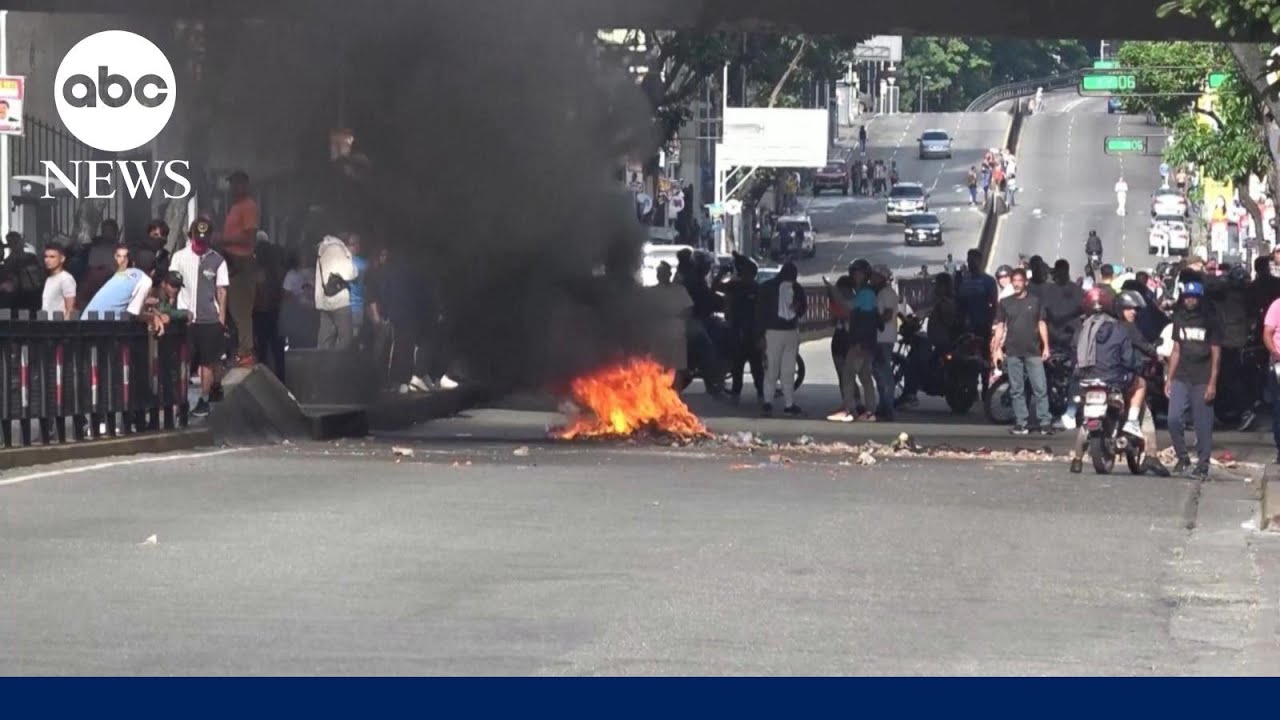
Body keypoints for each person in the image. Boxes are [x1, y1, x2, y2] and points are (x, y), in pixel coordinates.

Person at [170, 217, 229, 418]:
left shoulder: (218, 260)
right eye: (197, 239)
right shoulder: (179, 257)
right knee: (183, 362)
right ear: (191, 236)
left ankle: (203, 399)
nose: (200, 244)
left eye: (204, 239)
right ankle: (181, 400)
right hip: (185, 317)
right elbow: (172, 286)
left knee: (207, 362)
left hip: (209, 318)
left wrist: (221, 318)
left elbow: (221, 290)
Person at [1165, 281, 1221, 479]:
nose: (1190, 300)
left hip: (1202, 377)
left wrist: (1212, 382)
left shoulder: (1210, 320)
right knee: (1173, 418)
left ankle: (1203, 464)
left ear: (1200, 298)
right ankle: (1182, 456)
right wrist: (1169, 378)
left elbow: (1215, 352)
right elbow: (1176, 350)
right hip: (1181, 375)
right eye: (1187, 296)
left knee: (1202, 423)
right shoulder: (1179, 318)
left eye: (1194, 297)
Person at [992, 268, 1053, 435]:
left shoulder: (1035, 301)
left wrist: (1046, 346)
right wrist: (996, 348)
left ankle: (1045, 422)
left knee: (1040, 387)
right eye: (1015, 281)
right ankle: (1021, 422)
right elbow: (1000, 326)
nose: (1017, 283)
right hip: (1012, 351)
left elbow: (1041, 324)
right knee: (1016, 389)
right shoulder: (1005, 302)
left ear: (1026, 282)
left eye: (1020, 280)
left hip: (1033, 351)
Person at [220, 170, 261, 367]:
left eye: (237, 183)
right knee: (230, 307)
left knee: (241, 309)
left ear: (245, 185)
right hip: (229, 259)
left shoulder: (248, 206)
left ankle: (246, 351)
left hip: (241, 260)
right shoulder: (234, 207)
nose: (233, 187)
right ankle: (238, 349)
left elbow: (249, 237)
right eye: (232, 183)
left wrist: (222, 239)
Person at [756, 261, 806, 417]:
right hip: (790, 331)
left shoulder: (766, 288)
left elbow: (759, 313)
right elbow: (802, 309)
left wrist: (759, 335)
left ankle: (768, 403)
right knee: (788, 370)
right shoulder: (796, 288)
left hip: (772, 332)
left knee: (771, 368)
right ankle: (789, 404)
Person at [314, 233, 358, 350]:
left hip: (324, 301)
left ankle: (322, 366)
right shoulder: (338, 249)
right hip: (339, 301)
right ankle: (338, 365)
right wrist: (350, 260)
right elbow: (349, 274)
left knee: (325, 341)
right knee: (346, 339)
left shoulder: (323, 249)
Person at [83, 245, 154, 317]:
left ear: (133, 263)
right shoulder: (145, 280)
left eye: (125, 257)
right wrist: (151, 317)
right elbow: (132, 314)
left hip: (89, 317)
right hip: (99, 321)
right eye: (119, 256)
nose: (122, 260)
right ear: (153, 271)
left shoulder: (122, 274)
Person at [40, 242, 76, 317]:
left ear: (62, 259)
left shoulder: (66, 278)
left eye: (52, 257)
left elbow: (70, 309)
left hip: (59, 326)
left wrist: (64, 327)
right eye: (46, 257)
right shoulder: (49, 279)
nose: (47, 260)